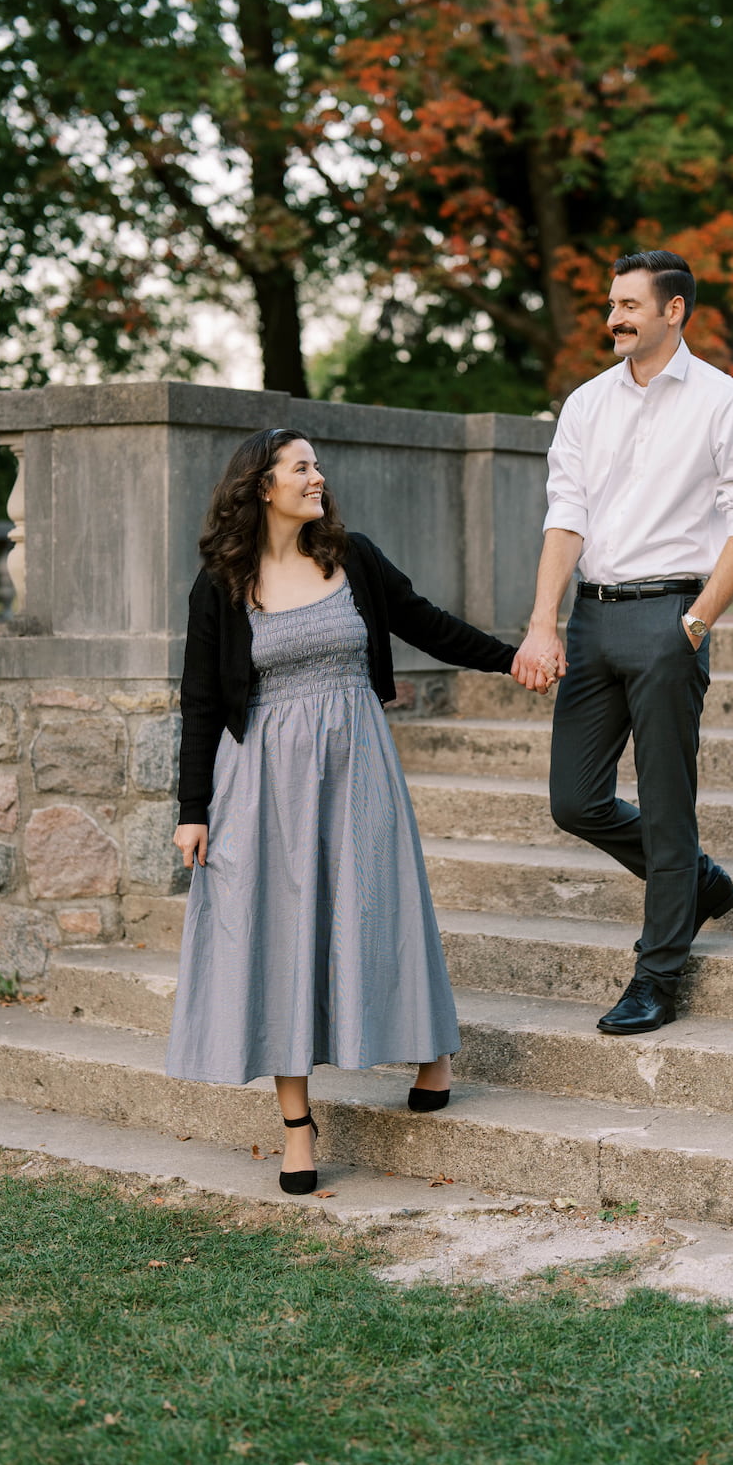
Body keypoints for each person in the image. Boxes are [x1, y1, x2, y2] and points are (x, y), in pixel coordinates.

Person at [167, 427, 531, 1195]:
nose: (317, 477)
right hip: (261, 781)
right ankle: (298, 1128)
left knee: (382, 910)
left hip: (356, 767)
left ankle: (432, 1051)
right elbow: (200, 699)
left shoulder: (351, 556)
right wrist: (192, 808)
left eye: (317, 466)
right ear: (262, 486)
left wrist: (512, 658)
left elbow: (427, 623)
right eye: (302, 468)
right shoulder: (221, 583)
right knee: (277, 938)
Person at [512, 250, 733, 1035]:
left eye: (629, 304)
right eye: (612, 305)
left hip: (669, 617)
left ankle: (657, 974)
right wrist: (542, 620)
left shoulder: (725, 402)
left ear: (674, 312)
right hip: (593, 618)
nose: (614, 318)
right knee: (575, 799)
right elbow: (567, 513)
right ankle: (695, 883)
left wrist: (692, 626)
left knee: (666, 804)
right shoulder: (586, 403)